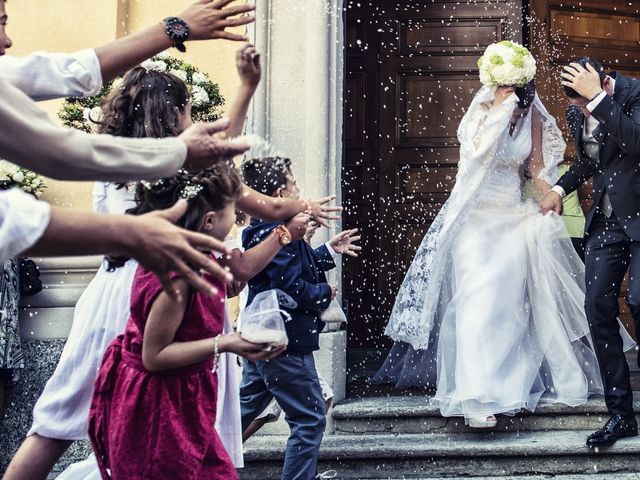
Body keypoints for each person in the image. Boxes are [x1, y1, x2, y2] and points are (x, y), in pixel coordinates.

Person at [373, 43, 625, 430]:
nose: (521, 110)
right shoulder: (480, 114)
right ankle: (475, 397)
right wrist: (501, 109)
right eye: (515, 99)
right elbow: (475, 157)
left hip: (511, 217)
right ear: (499, 88)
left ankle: (504, 390)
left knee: (507, 309)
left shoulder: (533, 119)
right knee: (476, 302)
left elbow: (536, 168)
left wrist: (552, 195)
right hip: (474, 221)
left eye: (524, 104)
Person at [0, 0, 253, 292]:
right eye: (2, 22)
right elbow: (59, 153)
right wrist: (178, 153)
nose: (8, 40)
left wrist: (173, 30)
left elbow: (70, 71)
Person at [87, 164, 282, 480]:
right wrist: (226, 342)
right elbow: (154, 355)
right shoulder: (178, 278)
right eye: (233, 213)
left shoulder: (200, 258)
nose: (237, 222)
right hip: (158, 407)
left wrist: (228, 287)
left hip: (185, 402)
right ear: (209, 222)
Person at [539, 56, 640, 447]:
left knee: (638, 299)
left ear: (604, 81)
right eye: (576, 104)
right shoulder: (580, 110)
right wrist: (558, 190)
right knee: (597, 307)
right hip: (607, 222)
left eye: (581, 101)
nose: (578, 109)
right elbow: (589, 161)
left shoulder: (633, 94)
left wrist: (597, 98)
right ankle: (620, 415)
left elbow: (635, 141)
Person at [239, 156, 360, 480]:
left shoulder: (261, 230)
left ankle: (198, 463)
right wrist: (323, 293)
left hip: (261, 337)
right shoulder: (279, 233)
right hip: (285, 344)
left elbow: (292, 265)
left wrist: (329, 251)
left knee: (240, 413)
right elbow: (289, 285)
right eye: (294, 186)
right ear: (280, 193)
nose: (299, 192)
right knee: (309, 420)